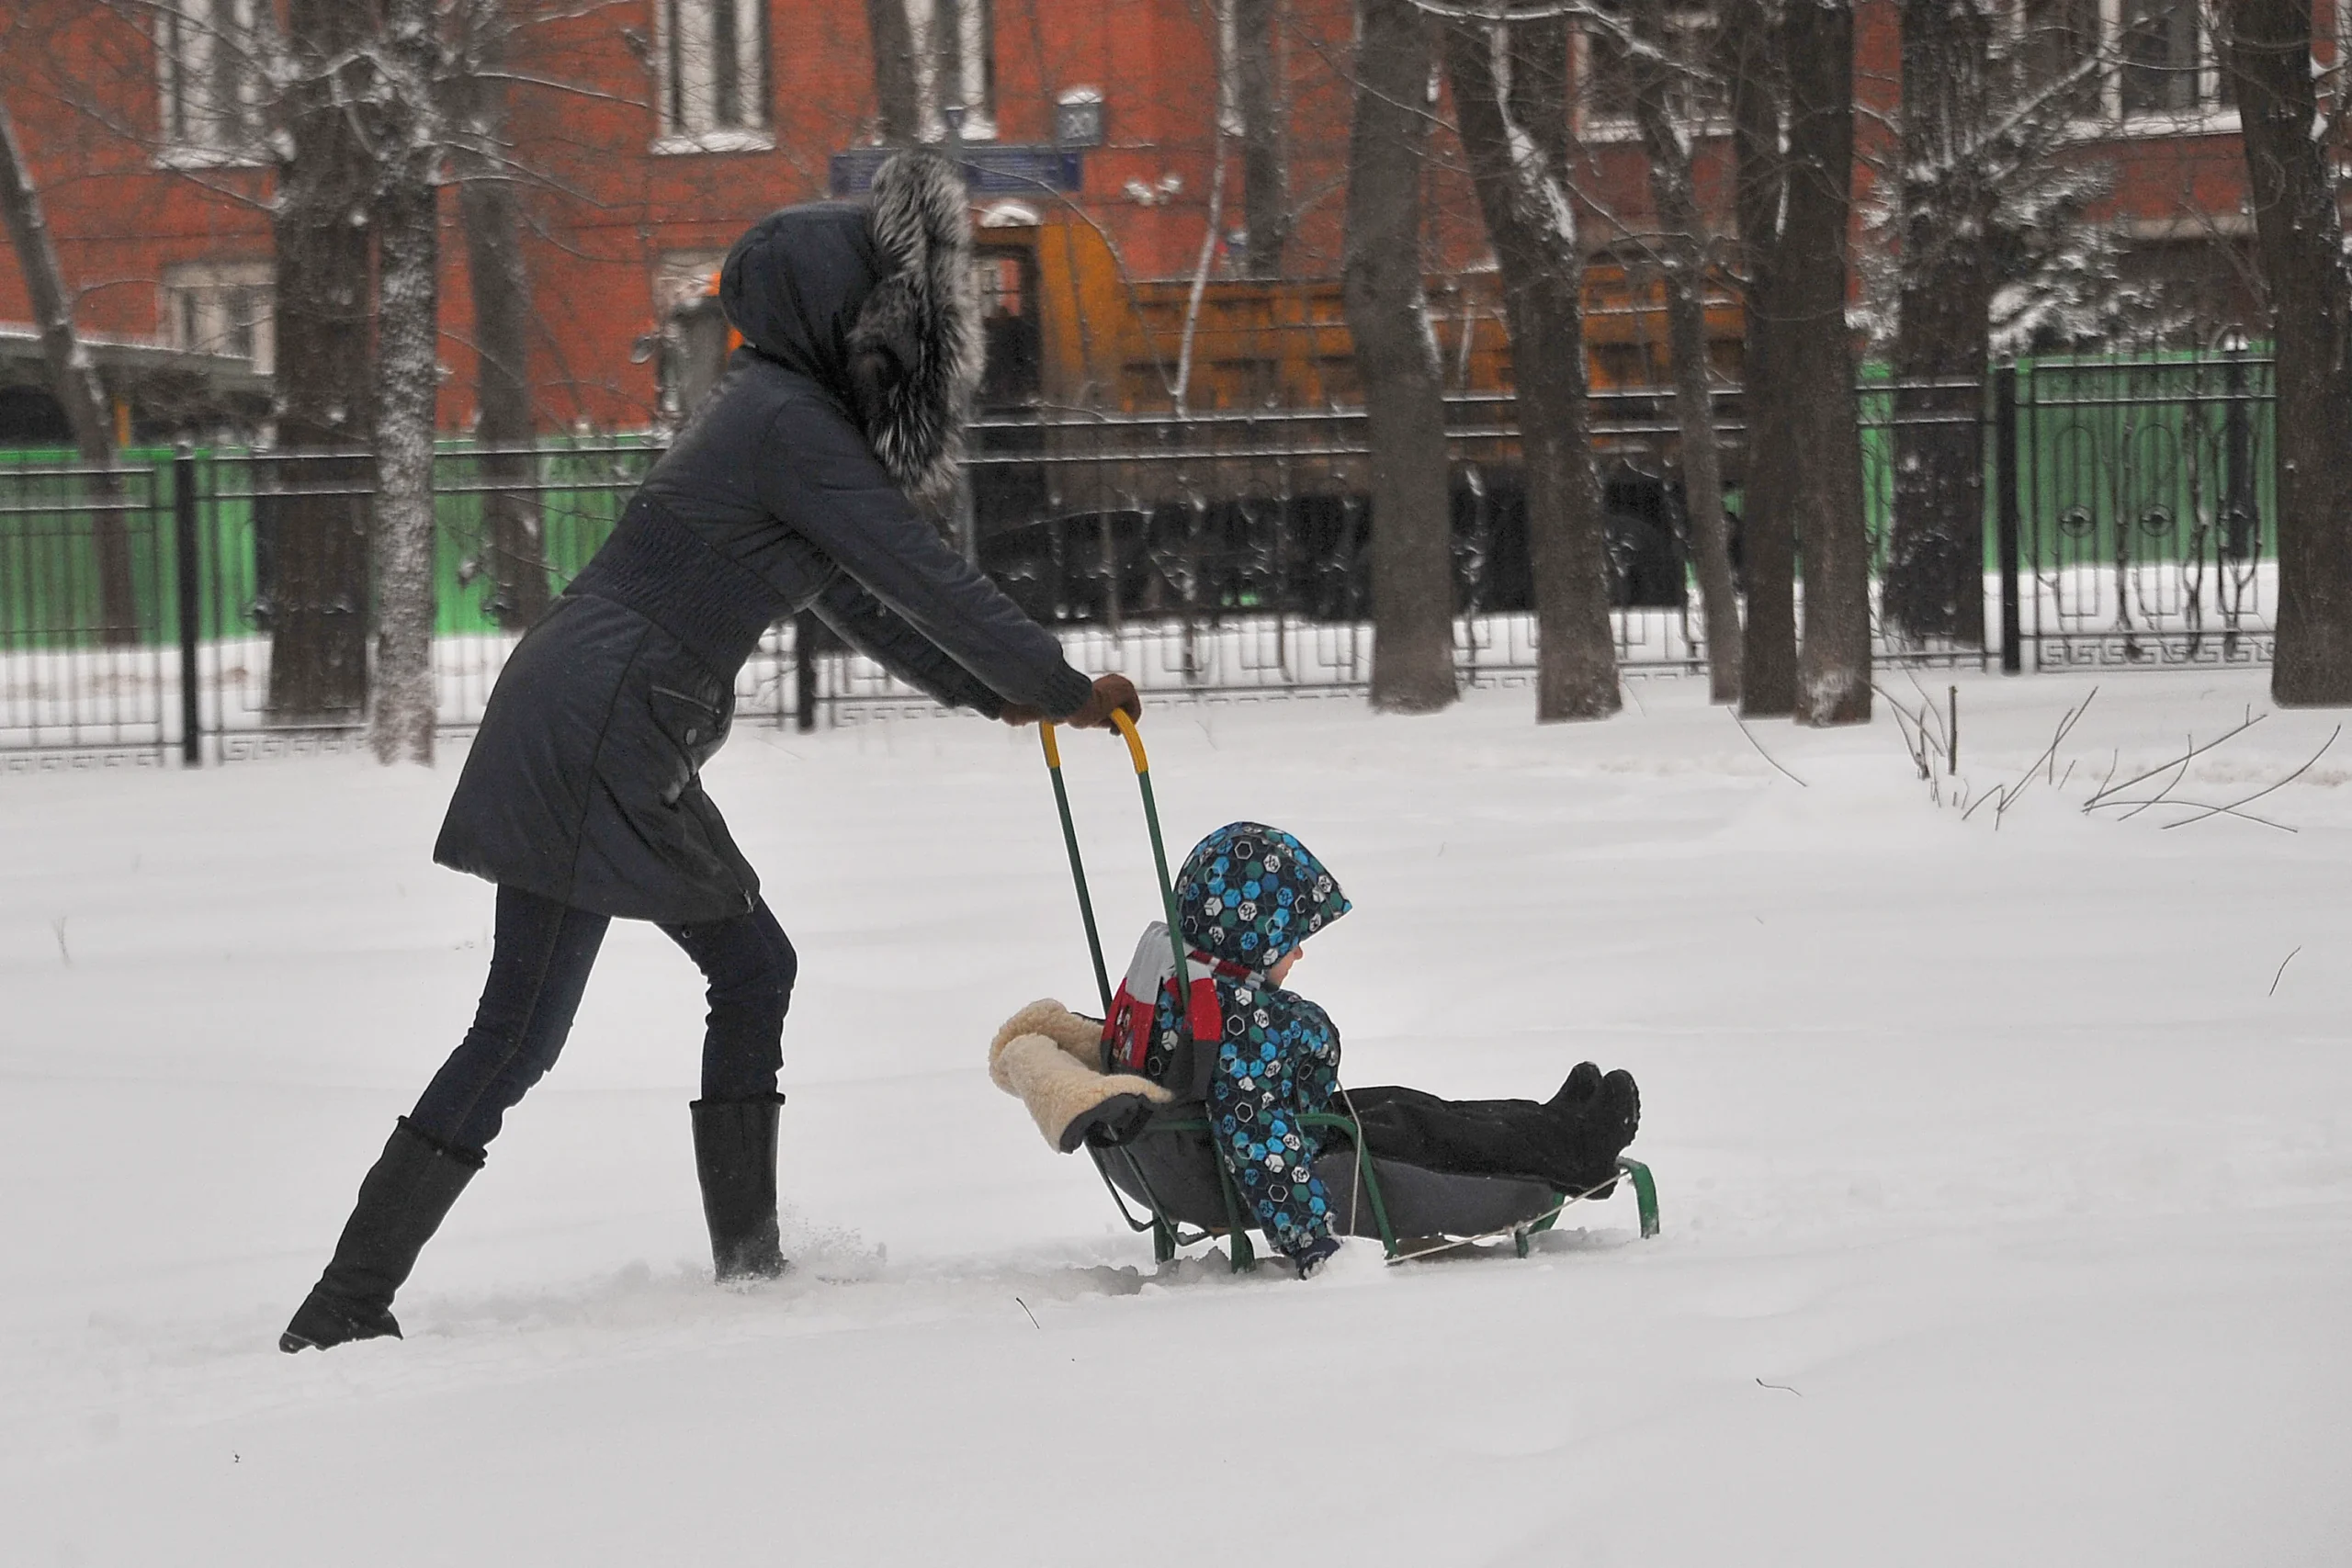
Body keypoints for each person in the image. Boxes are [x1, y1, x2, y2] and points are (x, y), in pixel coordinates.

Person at [282, 152, 1138, 1353]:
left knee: (751, 964)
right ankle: (344, 1299)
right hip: (599, 728)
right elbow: (919, 569)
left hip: (619, 721)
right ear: (835, 315)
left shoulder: (780, 420)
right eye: (877, 313)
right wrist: (1052, 681)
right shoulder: (783, 420)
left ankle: (748, 1261)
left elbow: (864, 600)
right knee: (518, 1032)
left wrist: (992, 694)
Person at [989, 822, 1641, 1278]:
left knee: (1413, 1105)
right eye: (1289, 942)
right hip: (1308, 1155)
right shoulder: (1234, 1022)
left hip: (1306, 1122)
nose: (1299, 953)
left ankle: (1550, 1121)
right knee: (1432, 1133)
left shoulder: (1183, 983)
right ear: (1247, 942)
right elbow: (1255, 1131)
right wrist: (1308, 1239)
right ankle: (1574, 1152)